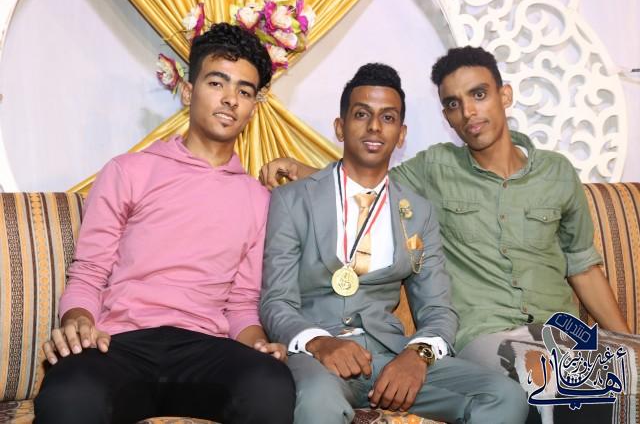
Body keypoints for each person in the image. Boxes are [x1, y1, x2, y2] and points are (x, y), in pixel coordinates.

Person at [260, 46, 631, 355]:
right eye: (454, 104)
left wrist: (629, 343)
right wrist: (300, 169)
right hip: (486, 335)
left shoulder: (557, 172)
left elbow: (582, 266)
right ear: (446, 116)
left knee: (622, 379)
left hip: (562, 333)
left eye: (479, 95)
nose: (468, 112)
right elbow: (365, 181)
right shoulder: (433, 169)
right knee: (548, 382)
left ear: (505, 95)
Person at [34, 23, 295, 424]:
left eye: (245, 91)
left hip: (205, 350)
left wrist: (259, 344)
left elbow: (242, 304)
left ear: (253, 108)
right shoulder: (129, 171)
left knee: (270, 385)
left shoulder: (258, 199)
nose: (230, 99)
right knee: (67, 394)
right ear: (188, 92)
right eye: (217, 83)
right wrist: (79, 323)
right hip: (120, 345)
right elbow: (89, 273)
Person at [260, 63, 528, 424]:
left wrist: (418, 356)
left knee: (504, 395)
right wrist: (319, 342)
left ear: (400, 135)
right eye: (361, 114)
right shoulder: (292, 199)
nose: (374, 127)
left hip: (390, 357)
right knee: (317, 403)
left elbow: (438, 309)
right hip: (317, 358)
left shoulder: (418, 211)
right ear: (340, 127)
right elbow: (276, 300)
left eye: (387, 117)